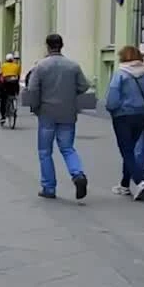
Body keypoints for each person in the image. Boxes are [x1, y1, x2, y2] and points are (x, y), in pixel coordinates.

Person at [23, 34, 91, 200]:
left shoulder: (41, 66)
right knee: (68, 148)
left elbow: (32, 89)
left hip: (46, 113)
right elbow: (84, 85)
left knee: (45, 152)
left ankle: (49, 187)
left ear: (47, 46)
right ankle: (78, 174)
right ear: (62, 46)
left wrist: (35, 106)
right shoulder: (73, 66)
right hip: (68, 113)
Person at [105, 45, 144, 201]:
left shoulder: (120, 74)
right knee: (130, 149)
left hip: (122, 116)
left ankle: (140, 182)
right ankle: (124, 185)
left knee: (126, 150)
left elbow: (112, 98)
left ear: (123, 57)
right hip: (141, 116)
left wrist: (111, 110)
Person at [0, 53, 22, 125]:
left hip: (5, 85)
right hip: (14, 85)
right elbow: (18, 76)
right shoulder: (17, 66)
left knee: (3, 100)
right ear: (12, 59)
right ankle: (14, 103)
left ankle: (3, 117)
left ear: (6, 59)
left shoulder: (3, 66)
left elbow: (0, 75)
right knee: (13, 95)